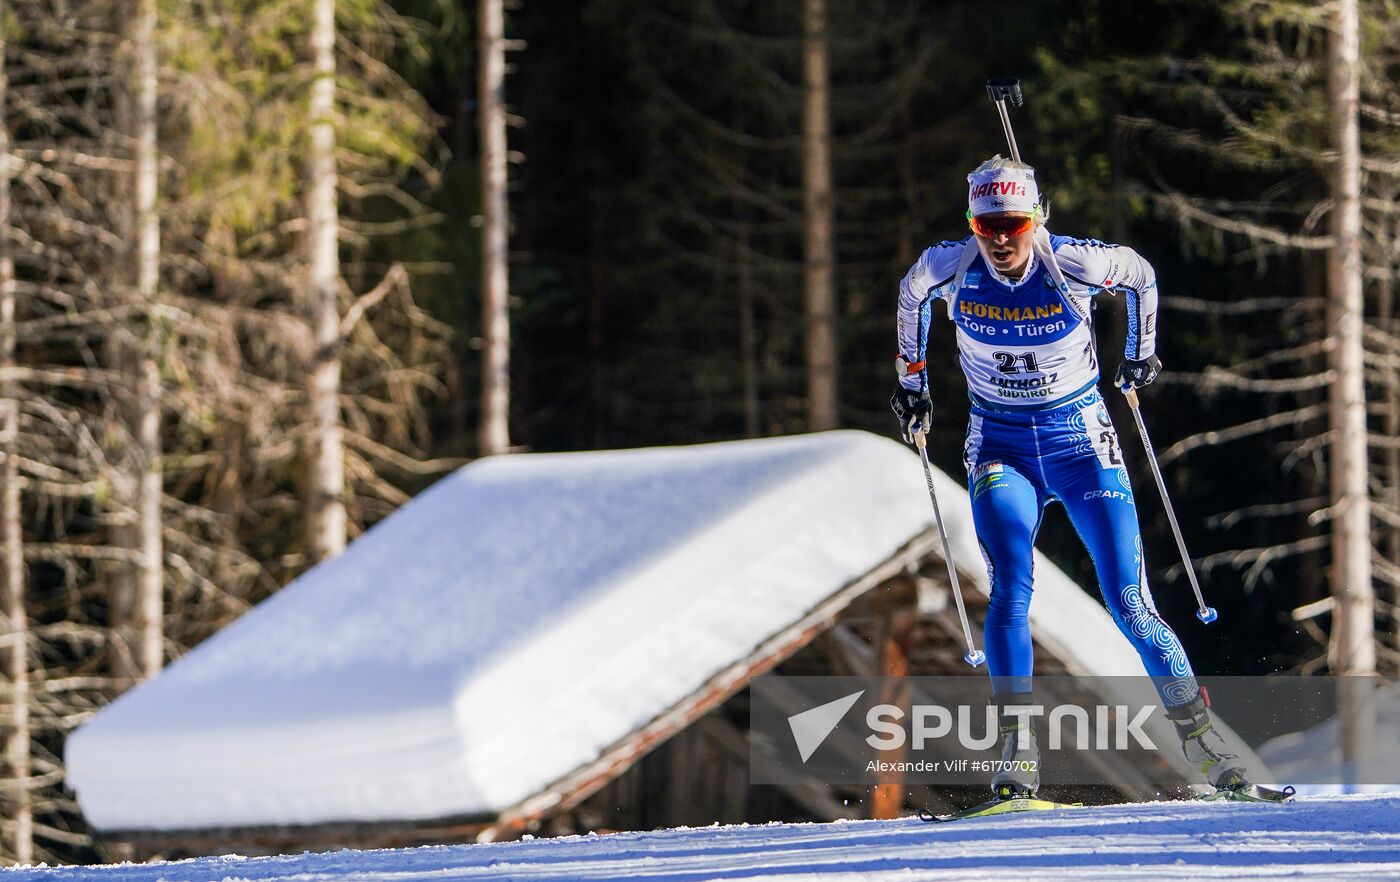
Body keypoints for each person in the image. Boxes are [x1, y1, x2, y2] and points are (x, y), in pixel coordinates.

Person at [891, 156, 1251, 799]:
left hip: (1081, 441)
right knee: (1010, 589)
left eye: (1013, 222)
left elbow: (1140, 276)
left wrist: (1140, 354)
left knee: (1128, 599)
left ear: (1037, 217)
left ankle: (1203, 741)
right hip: (1001, 444)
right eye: (985, 224)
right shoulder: (950, 266)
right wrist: (912, 385)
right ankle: (1017, 754)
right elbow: (912, 294)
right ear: (970, 224)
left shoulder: (1075, 263)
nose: (1000, 238)